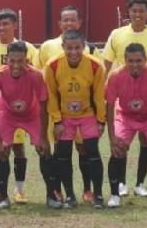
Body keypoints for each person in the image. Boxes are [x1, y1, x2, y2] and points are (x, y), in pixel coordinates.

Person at [0, 9, 40, 204]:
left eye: (6, 24)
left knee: (19, 148)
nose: (1, 28)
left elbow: (35, 72)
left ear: (15, 25)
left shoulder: (28, 48)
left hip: (21, 107)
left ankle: (19, 190)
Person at [38, 5, 100, 202]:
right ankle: (60, 191)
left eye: (73, 20)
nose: (69, 23)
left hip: (85, 112)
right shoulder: (48, 48)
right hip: (59, 112)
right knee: (61, 151)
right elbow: (45, 84)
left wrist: (99, 118)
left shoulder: (91, 51)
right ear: (59, 23)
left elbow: (96, 87)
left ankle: (88, 190)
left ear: (79, 23)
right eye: (65, 20)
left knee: (85, 149)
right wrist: (55, 118)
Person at [102, 0, 147, 198]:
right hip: (122, 94)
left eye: (142, 11)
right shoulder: (117, 34)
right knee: (121, 140)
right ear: (128, 12)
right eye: (134, 10)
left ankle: (140, 184)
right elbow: (106, 64)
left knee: (146, 141)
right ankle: (121, 184)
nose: (137, 14)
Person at [105, 43, 147, 207]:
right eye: (130, 61)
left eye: (138, 61)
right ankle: (114, 194)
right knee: (118, 148)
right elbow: (109, 105)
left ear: (145, 60)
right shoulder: (115, 76)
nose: (135, 65)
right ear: (125, 61)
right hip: (126, 116)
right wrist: (112, 137)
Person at [0, 41, 52, 209]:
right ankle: (3, 197)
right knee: (1, 151)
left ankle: (51, 195)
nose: (16, 65)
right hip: (7, 115)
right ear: (6, 59)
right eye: (12, 61)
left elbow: (44, 105)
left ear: (26, 60)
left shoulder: (35, 75)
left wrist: (43, 137)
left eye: (20, 61)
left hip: (32, 114)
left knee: (44, 149)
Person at [45, 29, 107, 209]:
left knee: (92, 152)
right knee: (63, 154)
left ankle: (98, 195)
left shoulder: (96, 66)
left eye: (77, 48)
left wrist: (101, 121)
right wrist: (57, 121)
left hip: (87, 115)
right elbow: (51, 95)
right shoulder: (52, 65)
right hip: (65, 117)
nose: (73, 52)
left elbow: (99, 96)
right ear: (63, 47)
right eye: (69, 48)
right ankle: (70, 195)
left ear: (84, 46)